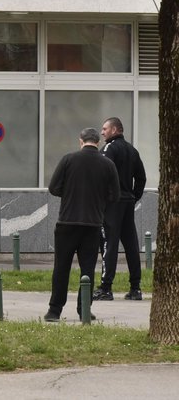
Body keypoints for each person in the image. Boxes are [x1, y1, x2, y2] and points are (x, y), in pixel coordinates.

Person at [44, 128, 120, 322]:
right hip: (92, 224)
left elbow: (54, 187)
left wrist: (69, 194)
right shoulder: (108, 164)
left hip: (67, 222)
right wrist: (99, 200)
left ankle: (54, 311)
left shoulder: (68, 160)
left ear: (81, 141)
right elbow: (115, 195)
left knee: (61, 268)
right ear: (97, 142)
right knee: (88, 269)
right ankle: (84, 309)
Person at [93, 117, 147, 301]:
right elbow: (141, 177)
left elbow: (101, 172)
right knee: (131, 244)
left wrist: (103, 197)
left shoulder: (109, 148)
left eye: (105, 128)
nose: (102, 132)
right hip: (127, 203)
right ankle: (136, 288)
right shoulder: (133, 151)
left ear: (115, 129)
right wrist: (133, 196)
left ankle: (106, 288)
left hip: (112, 204)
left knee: (109, 243)